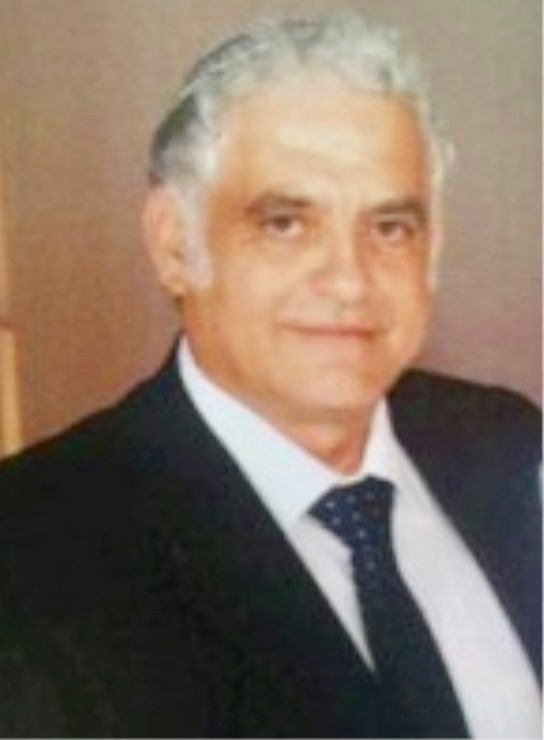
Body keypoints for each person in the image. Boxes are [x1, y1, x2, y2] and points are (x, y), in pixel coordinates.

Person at [0, 14, 540, 738]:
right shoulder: (30, 556)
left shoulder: (506, 447)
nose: (349, 281)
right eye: (286, 223)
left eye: (390, 228)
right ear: (174, 244)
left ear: (433, 248)